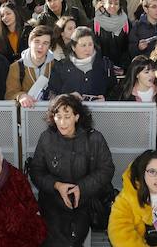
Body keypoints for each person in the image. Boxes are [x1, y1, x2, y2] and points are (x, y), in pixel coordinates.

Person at [28, 94, 115, 247]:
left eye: (67, 116)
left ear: (76, 116)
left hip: (84, 201)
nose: (62, 122)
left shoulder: (94, 138)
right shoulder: (46, 138)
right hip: (52, 201)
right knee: (51, 238)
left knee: (71, 239)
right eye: (58, 116)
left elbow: (107, 169)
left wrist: (82, 187)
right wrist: (56, 185)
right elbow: (36, 171)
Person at [48, 27, 116, 100]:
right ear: (73, 47)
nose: (87, 49)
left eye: (90, 44)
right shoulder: (60, 66)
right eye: (83, 45)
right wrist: (68, 97)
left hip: (99, 110)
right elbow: (52, 94)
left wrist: (105, 99)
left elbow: (114, 91)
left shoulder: (105, 65)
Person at [5, 24, 55, 108]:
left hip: (51, 115)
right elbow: (9, 95)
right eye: (37, 41)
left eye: (45, 43)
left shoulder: (56, 65)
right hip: (26, 115)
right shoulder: (16, 67)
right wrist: (20, 96)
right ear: (29, 43)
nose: (40, 47)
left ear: (49, 46)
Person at [93, 0, 131, 70]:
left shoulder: (126, 22)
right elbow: (95, 49)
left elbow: (127, 48)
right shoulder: (96, 23)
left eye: (116, 4)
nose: (113, 6)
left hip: (121, 69)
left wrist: (124, 68)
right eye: (110, 3)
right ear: (104, 3)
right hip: (102, 69)